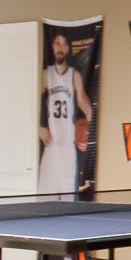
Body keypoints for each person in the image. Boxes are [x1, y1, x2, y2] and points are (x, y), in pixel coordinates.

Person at [38, 31, 93, 195]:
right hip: (51, 145)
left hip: (68, 146)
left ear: (68, 49)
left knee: (68, 199)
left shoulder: (74, 75)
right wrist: (40, 127)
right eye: (57, 43)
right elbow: (36, 102)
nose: (60, 47)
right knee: (44, 198)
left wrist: (88, 129)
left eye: (63, 44)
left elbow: (84, 103)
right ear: (52, 47)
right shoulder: (45, 74)